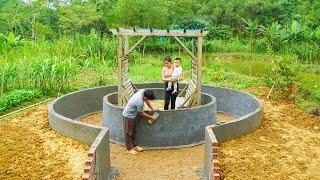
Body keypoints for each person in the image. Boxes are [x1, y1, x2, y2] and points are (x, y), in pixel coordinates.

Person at [122, 89, 158, 155]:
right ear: (145, 97)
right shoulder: (139, 102)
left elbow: (147, 101)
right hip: (128, 116)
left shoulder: (142, 91)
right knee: (128, 132)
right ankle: (129, 148)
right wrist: (151, 117)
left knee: (133, 131)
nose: (148, 101)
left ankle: (135, 146)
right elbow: (141, 113)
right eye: (148, 99)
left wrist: (152, 109)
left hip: (133, 116)